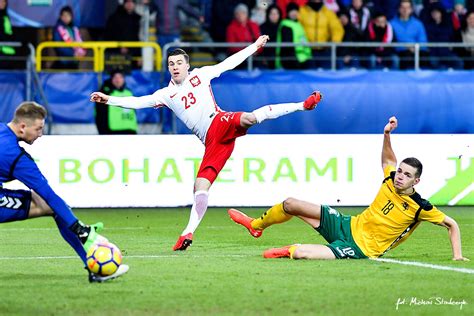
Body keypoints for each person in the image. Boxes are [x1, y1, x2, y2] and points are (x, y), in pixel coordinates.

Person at [90, 35, 323, 251]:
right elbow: (138, 102)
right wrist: (108, 99)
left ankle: (303, 105)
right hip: (212, 142)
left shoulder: (201, 75)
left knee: (250, 118)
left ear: (187, 65)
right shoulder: (165, 95)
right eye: (171, 63)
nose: (175, 67)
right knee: (200, 188)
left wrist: (254, 46)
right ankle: (187, 234)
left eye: (179, 63)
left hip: (220, 122)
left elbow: (229, 63)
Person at [228, 116, 469, 261]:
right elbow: (388, 161)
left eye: (407, 175)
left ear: (416, 182)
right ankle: (256, 226)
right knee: (291, 203)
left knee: (301, 253)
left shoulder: (420, 207)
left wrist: (457, 255)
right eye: (401, 172)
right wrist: (386, 134)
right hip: (347, 224)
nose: (399, 177)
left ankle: (287, 251)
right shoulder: (390, 178)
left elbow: (452, 224)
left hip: (361, 248)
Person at [0, 102, 129, 282]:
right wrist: (79, 228)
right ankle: (95, 270)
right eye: (38, 129)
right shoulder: (16, 157)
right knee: (52, 206)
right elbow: (49, 196)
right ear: (22, 127)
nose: (40, 134)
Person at [95, 70, 138, 135]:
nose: (118, 80)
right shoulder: (106, 93)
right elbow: (99, 113)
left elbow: (134, 112)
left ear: (123, 79)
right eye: (115, 77)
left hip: (130, 130)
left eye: (120, 77)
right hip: (112, 131)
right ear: (111, 79)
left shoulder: (129, 92)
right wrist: (103, 131)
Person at [390, 0, 430, 69]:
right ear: (399, 9)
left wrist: (415, 47)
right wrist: (405, 47)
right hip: (400, 51)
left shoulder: (418, 24)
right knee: (405, 57)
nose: (405, 10)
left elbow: (423, 41)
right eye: (403, 7)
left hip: (417, 50)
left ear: (411, 9)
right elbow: (390, 42)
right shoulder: (391, 24)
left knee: (425, 57)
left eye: (408, 8)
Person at [275, 3, 312, 69]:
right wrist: (294, 61)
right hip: (293, 60)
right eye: (292, 11)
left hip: (303, 58)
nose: (294, 13)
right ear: (288, 12)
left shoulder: (298, 24)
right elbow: (287, 47)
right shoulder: (286, 25)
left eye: (296, 11)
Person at [52, 5, 86, 70]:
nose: (66, 17)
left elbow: (79, 41)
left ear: (71, 17)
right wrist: (72, 54)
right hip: (63, 62)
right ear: (60, 16)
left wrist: (81, 52)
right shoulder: (58, 29)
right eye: (64, 15)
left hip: (74, 62)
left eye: (68, 15)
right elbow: (59, 46)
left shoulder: (73, 28)